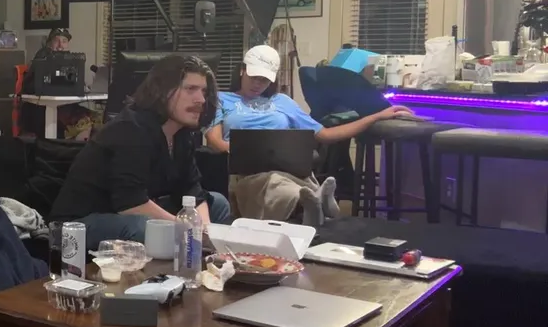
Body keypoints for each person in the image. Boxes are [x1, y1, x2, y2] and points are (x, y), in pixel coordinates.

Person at [204, 44, 413, 225]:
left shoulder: (282, 102)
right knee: (272, 181)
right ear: (242, 71)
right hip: (246, 170)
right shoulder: (222, 100)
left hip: (286, 167)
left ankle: (311, 201)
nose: (258, 84)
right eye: (254, 77)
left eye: (264, 80)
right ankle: (313, 201)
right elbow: (214, 141)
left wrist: (375, 117)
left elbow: (326, 134)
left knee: (284, 177)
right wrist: (245, 151)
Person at [50, 53, 231, 248]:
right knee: (145, 227)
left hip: (125, 214)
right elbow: (131, 203)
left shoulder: (181, 134)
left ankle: (202, 261)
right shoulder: (131, 128)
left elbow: (192, 190)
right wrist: (189, 230)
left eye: (204, 91)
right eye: (190, 89)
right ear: (163, 91)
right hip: (79, 224)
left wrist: (205, 230)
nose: (201, 99)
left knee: (218, 204)